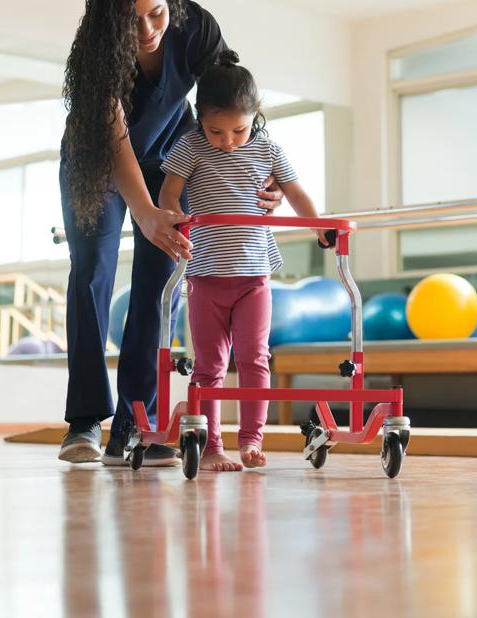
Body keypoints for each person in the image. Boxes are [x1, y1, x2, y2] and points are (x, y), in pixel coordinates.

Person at [56, 0, 284, 465]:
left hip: (169, 159)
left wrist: (264, 168)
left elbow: (231, 98)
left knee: (161, 284)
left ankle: (137, 425)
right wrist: (144, 210)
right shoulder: (97, 54)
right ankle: (84, 423)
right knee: (92, 273)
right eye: (131, 17)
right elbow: (114, 138)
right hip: (97, 161)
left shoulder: (194, 26)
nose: (147, 29)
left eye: (156, 12)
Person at [160, 50, 327, 471]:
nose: (228, 140)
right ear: (200, 118)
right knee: (210, 366)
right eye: (216, 130)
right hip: (206, 276)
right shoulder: (190, 146)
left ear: (256, 116)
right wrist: (172, 219)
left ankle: (251, 440)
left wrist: (320, 226)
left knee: (255, 358)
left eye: (239, 129)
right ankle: (211, 444)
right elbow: (169, 192)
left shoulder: (269, 148)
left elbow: (296, 192)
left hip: (254, 276)